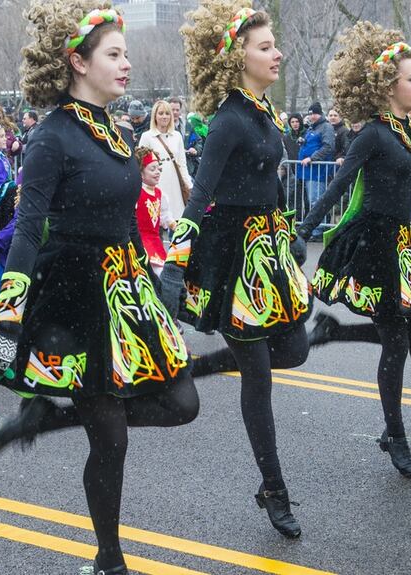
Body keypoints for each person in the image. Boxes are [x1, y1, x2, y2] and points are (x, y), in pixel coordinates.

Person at [0, 3, 198, 573]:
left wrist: (153, 286)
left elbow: (126, 219)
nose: (126, 64)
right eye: (114, 54)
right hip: (75, 298)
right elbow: (28, 227)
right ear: (78, 61)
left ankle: (51, 418)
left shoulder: (119, 133)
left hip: (127, 290)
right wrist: (7, 317)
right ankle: (109, 559)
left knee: (182, 403)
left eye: (125, 54)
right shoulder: (50, 136)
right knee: (111, 441)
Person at [163, 0, 310, 538]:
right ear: (237, 57)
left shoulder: (265, 112)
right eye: (265, 46)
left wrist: (289, 232)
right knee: (260, 377)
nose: (277, 53)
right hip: (232, 260)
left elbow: (268, 180)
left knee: (294, 350)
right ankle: (274, 488)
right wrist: (176, 266)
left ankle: (213, 363)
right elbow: (200, 194)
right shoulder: (228, 119)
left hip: (270, 253)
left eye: (274, 44)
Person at [294, 22, 411, 477]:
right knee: (396, 343)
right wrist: (304, 229)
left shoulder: (410, 131)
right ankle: (395, 434)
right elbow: (339, 185)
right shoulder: (374, 134)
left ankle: (336, 332)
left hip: (404, 246)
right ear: (389, 86)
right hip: (374, 246)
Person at [139, 99, 193, 227]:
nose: (164, 116)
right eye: (161, 113)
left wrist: (188, 184)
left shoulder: (177, 136)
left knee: (177, 223)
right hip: (156, 184)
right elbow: (140, 165)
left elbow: (182, 163)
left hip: (175, 184)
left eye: (167, 113)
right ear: (155, 116)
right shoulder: (147, 136)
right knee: (156, 221)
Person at [297, 100, 335, 220]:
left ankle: (319, 228)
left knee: (316, 202)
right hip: (308, 172)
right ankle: (316, 226)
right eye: (310, 114)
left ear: (320, 114)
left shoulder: (326, 127)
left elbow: (328, 147)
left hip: (318, 172)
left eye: (314, 114)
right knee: (311, 202)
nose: (311, 116)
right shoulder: (312, 128)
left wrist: (312, 158)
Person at [135, 146, 166, 274]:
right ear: (141, 173)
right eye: (152, 169)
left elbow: (164, 215)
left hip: (156, 241)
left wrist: (173, 224)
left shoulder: (159, 193)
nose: (157, 172)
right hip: (140, 241)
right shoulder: (136, 192)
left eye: (159, 169)